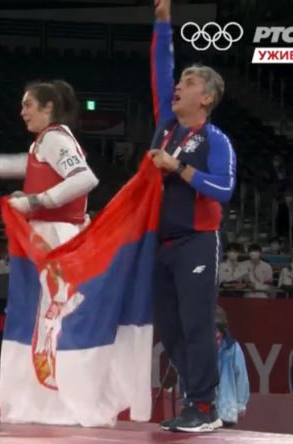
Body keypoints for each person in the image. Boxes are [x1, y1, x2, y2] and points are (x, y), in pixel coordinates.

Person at [0, 78, 99, 424]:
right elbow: (28, 166)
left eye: (28, 104)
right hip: (46, 237)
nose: (22, 111)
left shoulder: (55, 138)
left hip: (57, 238)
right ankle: (45, 401)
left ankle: (57, 402)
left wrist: (35, 202)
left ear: (48, 108)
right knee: (43, 316)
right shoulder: (44, 142)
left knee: (51, 316)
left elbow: (85, 179)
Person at [149, 0, 236, 432]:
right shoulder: (167, 126)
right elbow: (160, 70)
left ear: (207, 97)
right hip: (162, 243)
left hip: (198, 241)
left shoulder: (215, 139)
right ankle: (196, 400)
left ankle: (203, 406)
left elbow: (224, 188)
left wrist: (178, 168)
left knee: (197, 324)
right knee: (170, 329)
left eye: (189, 82)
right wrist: (163, 22)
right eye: (179, 81)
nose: (177, 86)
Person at [215, 306, 249, 427]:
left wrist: (241, 405)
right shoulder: (199, 349)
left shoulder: (233, 348)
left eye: (218, 338)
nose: (216, 342)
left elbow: (241, 377)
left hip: (226, 411)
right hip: (204, 412)